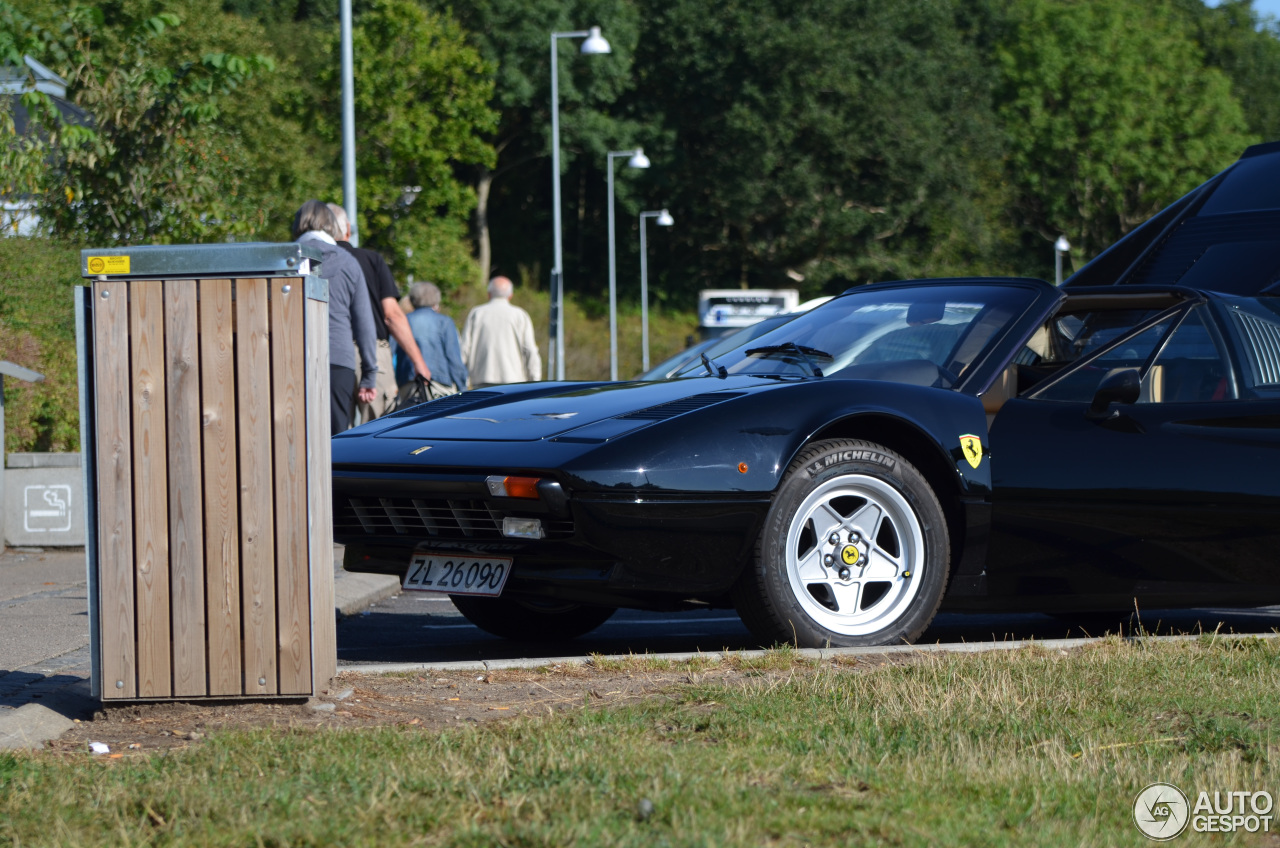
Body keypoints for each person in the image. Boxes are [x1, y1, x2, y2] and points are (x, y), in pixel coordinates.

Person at [326, 203, 431, 421]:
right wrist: (418, 362)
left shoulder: (312, 262)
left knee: (331, 431)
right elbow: (391, 315)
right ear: (347, 228)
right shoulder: (371, 260)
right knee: (378, 429)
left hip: (328, 353)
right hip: (372, 354)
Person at [292, 200, 378, 434]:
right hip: (338, 362)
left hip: (291, 360)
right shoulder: (348, 263)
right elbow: (364, 325)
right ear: (332, 226)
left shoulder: (285, 261)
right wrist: (369, 373)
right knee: (336, 438)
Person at [460, 276, 542, 388]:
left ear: (489, 294)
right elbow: (530, 350)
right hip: (513, 380)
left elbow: (464, 349)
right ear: (510, 295)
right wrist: (535, 379)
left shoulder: (476, 313)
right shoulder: (520, 315)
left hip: (482, 378)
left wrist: (460, 378)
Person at [393, 282, 468, 399]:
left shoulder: (402, 321)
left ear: (412, 300)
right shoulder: (445, 322)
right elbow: (453, 358)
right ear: (436, 301)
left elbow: (391, 353)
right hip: (438, 384)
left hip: (408, 383)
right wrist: (462, 387)